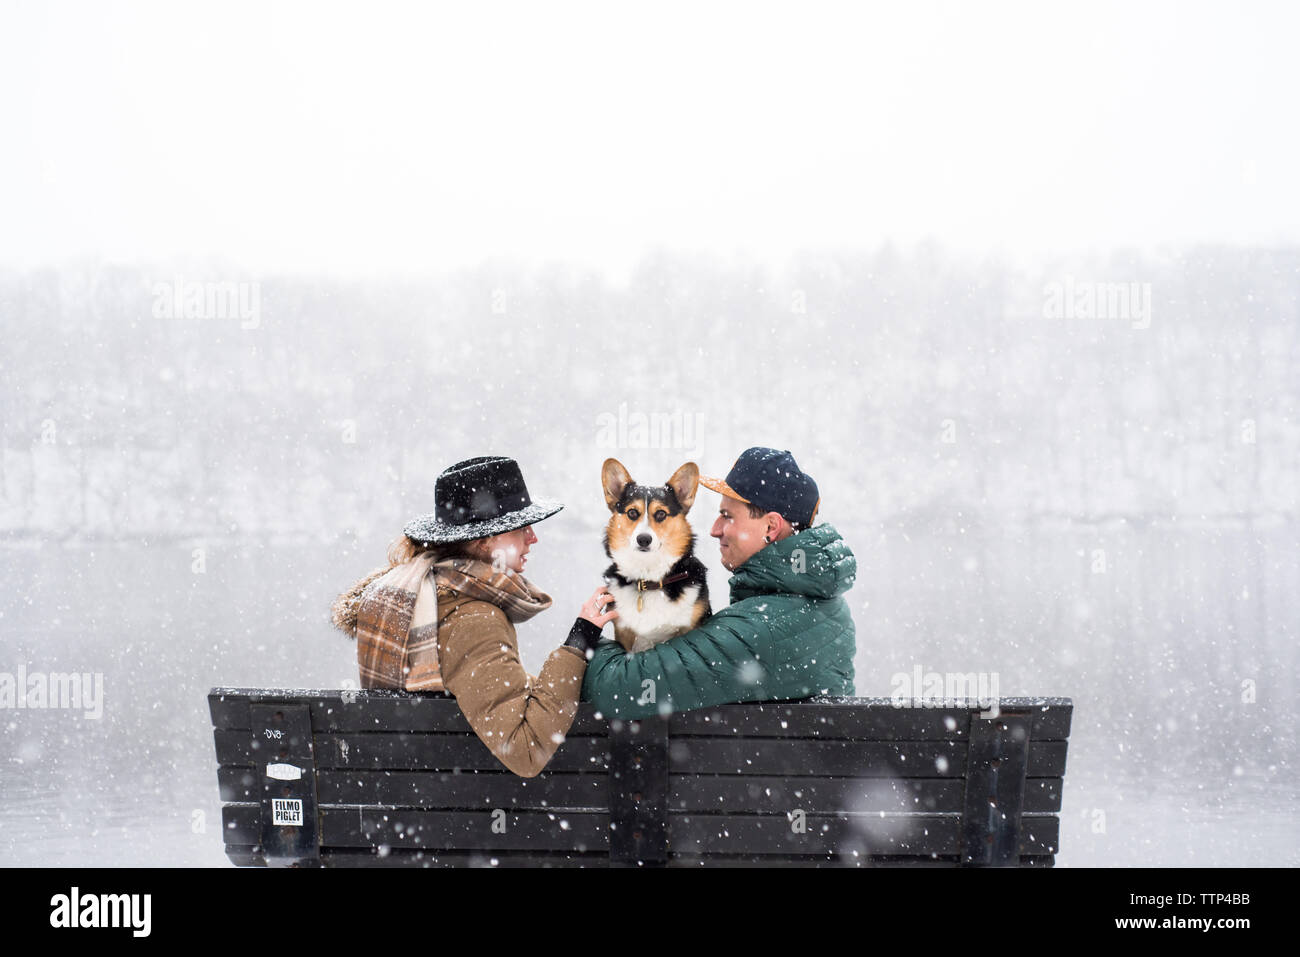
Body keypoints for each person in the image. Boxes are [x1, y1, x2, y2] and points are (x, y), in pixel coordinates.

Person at [329, 456, 616, 777]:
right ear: (483, 541)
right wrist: (579, 642)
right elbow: (525, 750)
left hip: (407, 791)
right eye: (521, 528)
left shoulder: (424, 597)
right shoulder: (469, 617)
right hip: (456, 804)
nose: (533, 538)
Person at [576, 447, 856, 719]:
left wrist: (585, 641)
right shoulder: (819, 603)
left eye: (727, 516)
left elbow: (619, 690)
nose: (714, 529)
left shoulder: (760, 630)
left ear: (771, 527)